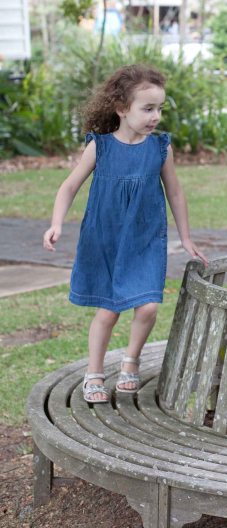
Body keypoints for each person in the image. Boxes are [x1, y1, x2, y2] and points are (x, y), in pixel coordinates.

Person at [43, 64, 208, 403]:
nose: (155, 116)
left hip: (145, 240)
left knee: (147, 308)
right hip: (105, 240)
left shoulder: (159, 148)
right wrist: (56, 223)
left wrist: (186, 238)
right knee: (108, 311)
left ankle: (130, 360)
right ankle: (94, 372)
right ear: (121, 108)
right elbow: (69, 186)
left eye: (159, 108)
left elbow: (175, 193)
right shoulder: (100, 147)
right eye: (147, 108)